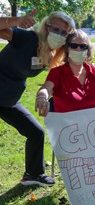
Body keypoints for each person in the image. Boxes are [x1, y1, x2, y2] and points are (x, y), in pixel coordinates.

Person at [0, 10, 76, 186]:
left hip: (8, 100)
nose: (58, 34)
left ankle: (33, 174)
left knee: (35, 133)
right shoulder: (27, 38)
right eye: (55, 29)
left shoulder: (52, 53)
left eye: (63, 32)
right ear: (46, 27)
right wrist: (16, 21)